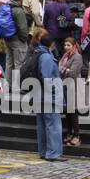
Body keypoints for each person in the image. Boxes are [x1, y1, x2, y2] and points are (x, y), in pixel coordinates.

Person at [30, 30, 66, 161]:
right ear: (52, 44)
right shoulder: (46, 57)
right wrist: (53, 90)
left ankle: (44, 151)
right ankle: (53, 153)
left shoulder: (38, 54)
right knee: (53, 124)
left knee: (42, 124)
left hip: (39, 94)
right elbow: (47, 77)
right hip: (47, 96)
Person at [58, 36, 84, 146]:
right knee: (68, 112)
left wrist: (63, 70)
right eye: (65, 45)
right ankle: (69, 133)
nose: (66, 47)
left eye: (68, 45)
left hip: (74, 87)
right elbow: (58, 67)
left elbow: (73, 72)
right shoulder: (65, 56)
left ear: (74, 46)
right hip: (65, 85)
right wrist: (65, 70)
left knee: (73, 112)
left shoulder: (77, 57)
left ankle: (76, 135)